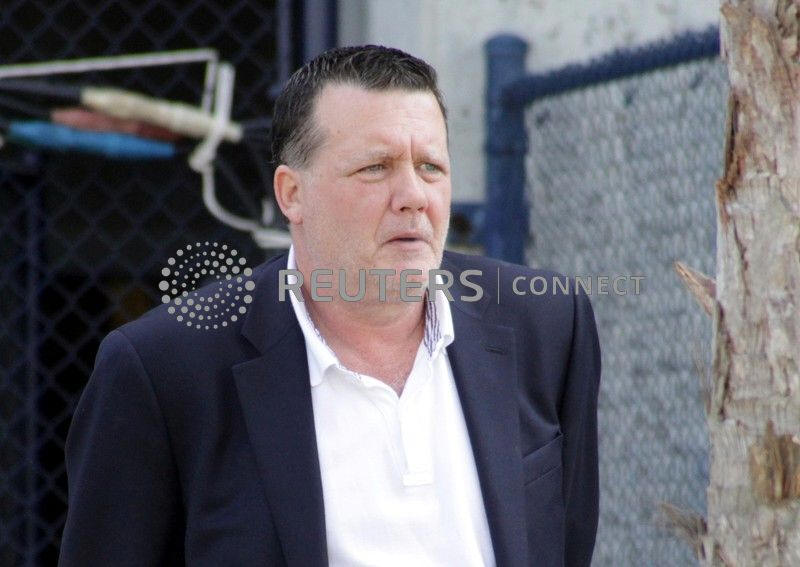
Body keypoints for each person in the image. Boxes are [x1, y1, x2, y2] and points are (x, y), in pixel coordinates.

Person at [59, 46, 601, 566]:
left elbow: (566, 541)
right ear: (291, 194)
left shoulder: (546, 324)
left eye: (431, 167)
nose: (414, 196)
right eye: (376, 168)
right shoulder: (164, 369)